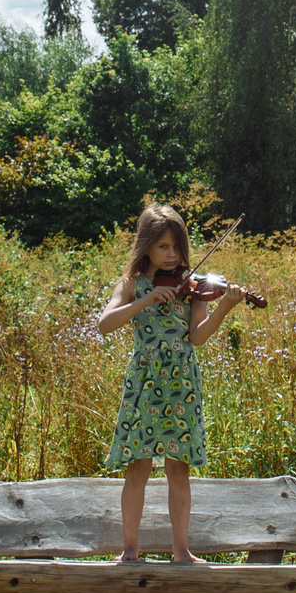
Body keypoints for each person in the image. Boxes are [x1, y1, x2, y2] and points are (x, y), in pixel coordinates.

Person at [95, 204, 248, 563]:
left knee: (179, 467)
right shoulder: (132, 284)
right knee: (139, 464)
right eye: (163, 246)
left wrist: (224, 308)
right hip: (144, 383)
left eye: (177, 247)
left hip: (181, 382)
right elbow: (105, 324)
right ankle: (129, 549)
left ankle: (182, 551)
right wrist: (145, 299)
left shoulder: (191, 287)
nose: (172, 255)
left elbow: (196, 337)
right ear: (146, 245)